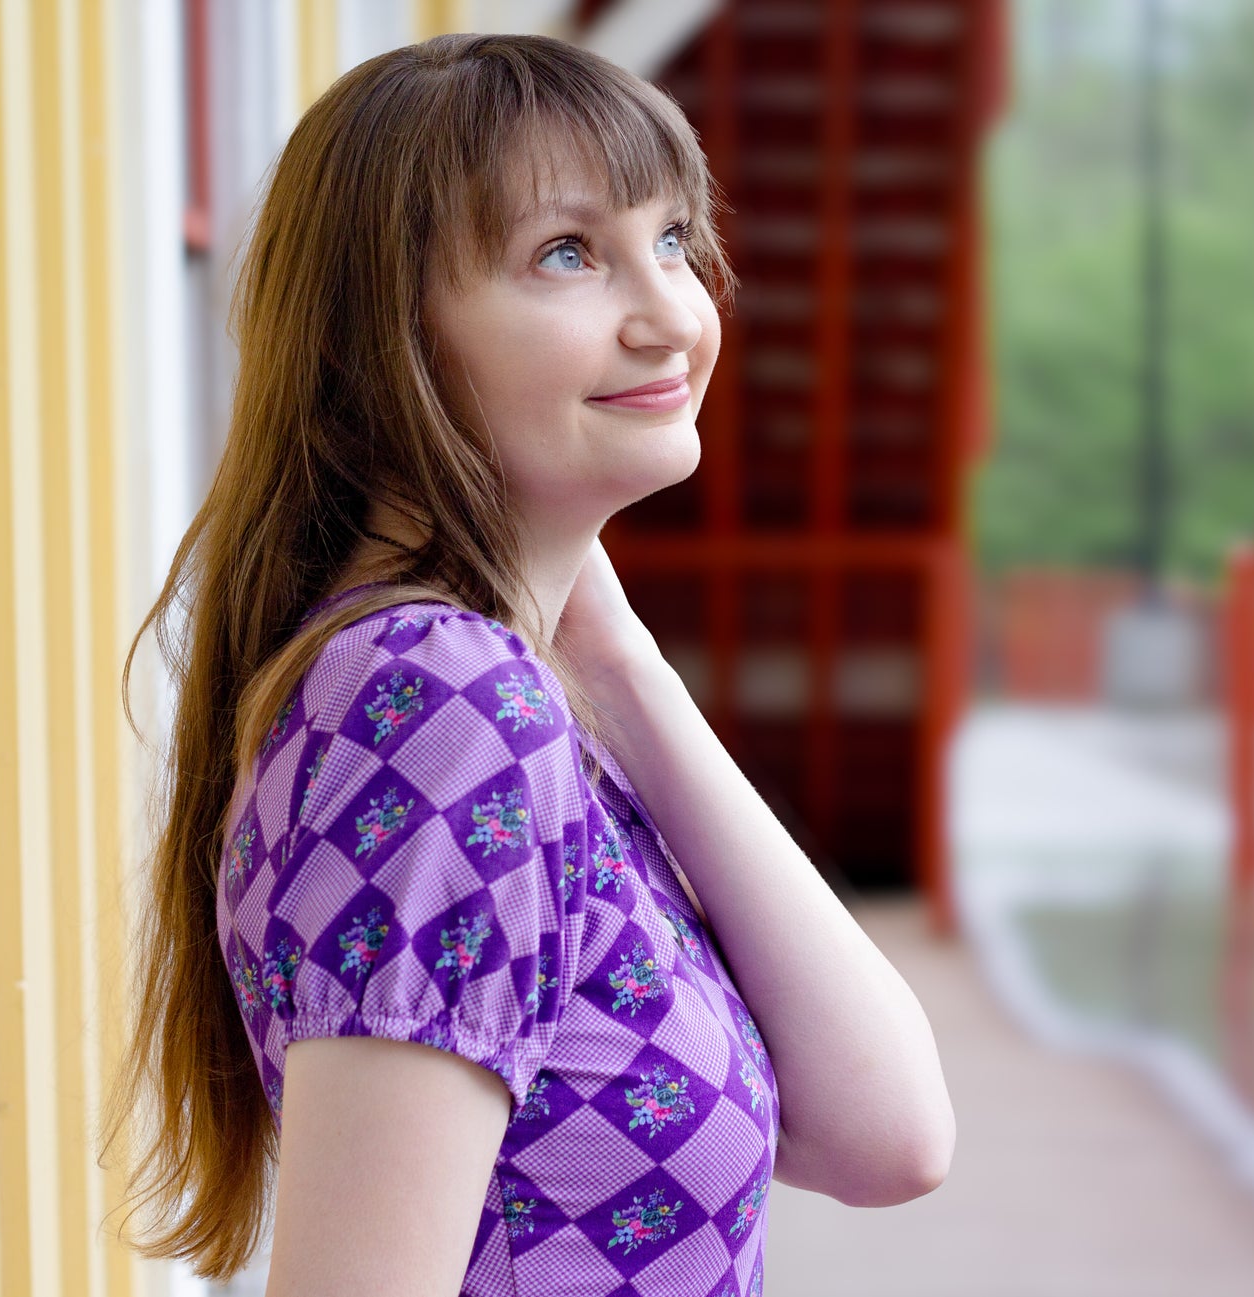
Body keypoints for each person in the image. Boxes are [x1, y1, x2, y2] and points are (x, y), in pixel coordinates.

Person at [106, 32, 954, 1297]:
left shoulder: (515, 697)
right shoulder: (437, 703)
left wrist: (618, 664)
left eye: (672, 240)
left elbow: (886, 1134)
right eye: (566, 253)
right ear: (381, 343)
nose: (673, 313)